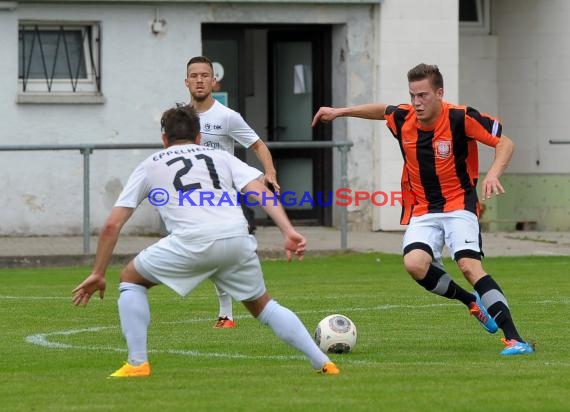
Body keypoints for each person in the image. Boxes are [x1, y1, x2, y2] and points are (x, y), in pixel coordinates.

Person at [71, 104, 339, 377]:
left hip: (192, 241)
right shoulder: (220, 157)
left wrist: (98, 272)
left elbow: (111, 225)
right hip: (236, 236)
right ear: (199, 137)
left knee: (130, 279)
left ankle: (137, 363)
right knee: (264, 306)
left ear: (164, 139)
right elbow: (258, 190)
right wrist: (288, 230)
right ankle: (323, 362)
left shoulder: (150, 165)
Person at [312, 63, 534, 356]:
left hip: (459, 204)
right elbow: (383, 110)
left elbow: (505, 143)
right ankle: (470, 301)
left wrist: (493, 174)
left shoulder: (461, 117)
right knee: (415, 264)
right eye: (413, 95)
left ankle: (515, 339)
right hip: (423, 208)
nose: (416, 102)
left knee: (468, 266)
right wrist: (340, 111)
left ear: (439, 93)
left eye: (423, 95)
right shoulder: (404, 118)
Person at [185, 55, 281, 328]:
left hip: (222, 198)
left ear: (213, 81)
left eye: (205, 75)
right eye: (195, 76)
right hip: (192, 200)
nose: (200, 80)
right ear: (187, 82)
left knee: (227, 252)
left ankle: (230, 312)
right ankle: (230, 310)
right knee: (210, 254)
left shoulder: (227, 117)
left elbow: (258, 145)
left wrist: (270, 172)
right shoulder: (181, 116)